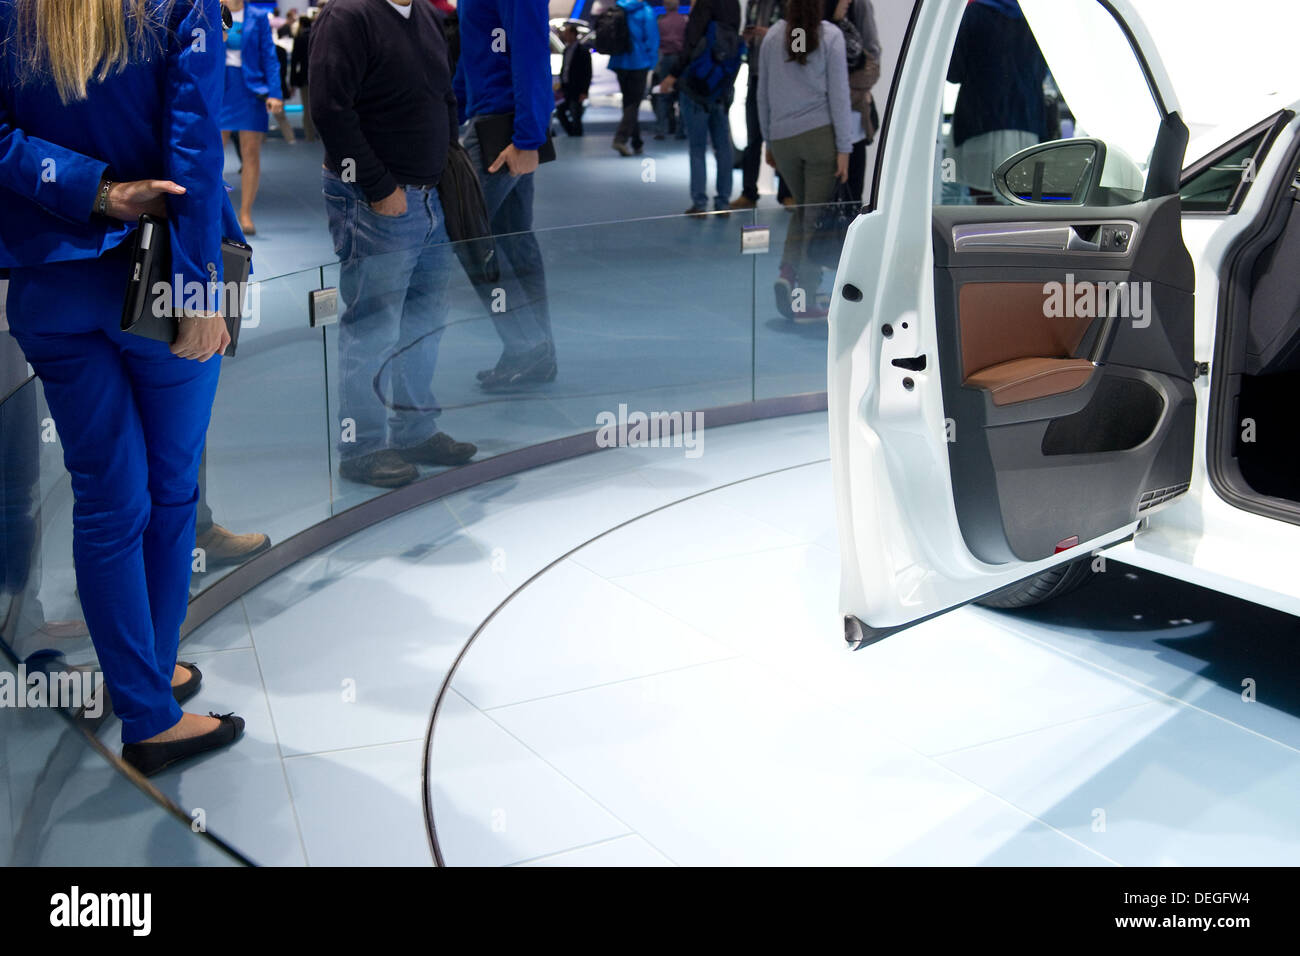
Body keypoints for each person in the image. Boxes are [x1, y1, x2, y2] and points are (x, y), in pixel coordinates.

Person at [0, 0, 246, 775]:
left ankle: (142, 680)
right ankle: (150, 711)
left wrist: (96, 192)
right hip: (163, 281)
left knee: (108, 495)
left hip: (48, 283)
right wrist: (205, 287)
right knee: (170, 489)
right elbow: (194, 146)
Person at [311, 0, 476, 489]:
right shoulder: (348, 16)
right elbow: (329, 110)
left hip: (428, 200)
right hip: (375, 202)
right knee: (373, 327)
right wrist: (380, 187)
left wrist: (445, 162)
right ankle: (362, 447)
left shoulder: (423, 15)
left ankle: (414, 428)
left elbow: (444, 94)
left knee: (424, 323)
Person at [455, 0, 557, 392]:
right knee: (512, 239)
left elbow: (530, 49)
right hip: (495, 123)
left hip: (503, 130)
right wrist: (454, 109)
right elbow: (475, 50)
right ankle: (535, 349)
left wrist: (529, 137)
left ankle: (527, 345)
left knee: (468, 236)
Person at [758, 0, 852, 321]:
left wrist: (769, 141)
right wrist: (844, 147)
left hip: (783, 138)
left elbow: (762, 93)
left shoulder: (772, 37)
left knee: (803, 211)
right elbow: (839, 95)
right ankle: (807, 297)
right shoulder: (831, 37)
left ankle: (787, 273)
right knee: (814, 219)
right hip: (819, 137)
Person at [944, 0, 1048, 203]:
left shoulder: (975, 12)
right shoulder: (1036, 16)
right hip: (1027, 125)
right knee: (1025, 207)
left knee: (983, 208)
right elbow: (1042, 72)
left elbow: (953, 71)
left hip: (980, 124)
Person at [658, 0, 743, 215]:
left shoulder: (703, 7)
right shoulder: (733, 6)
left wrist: (673, 75)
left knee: (697, 148)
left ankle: (700, 203)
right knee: (722, 147)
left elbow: (691, 45)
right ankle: (723, 201)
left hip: (696, 87)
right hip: (721, 86)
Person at [221, 0, 284, 234]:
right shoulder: (211, 11)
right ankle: (217, 210)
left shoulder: (258, 16)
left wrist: (275, 93)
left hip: (251, 91)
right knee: (214, 154)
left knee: (251, 153)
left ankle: (245, 213)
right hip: (219, 88)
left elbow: (269, 55)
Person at [731, 0, 791, 209]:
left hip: (780, 77)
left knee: (783, 136)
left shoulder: (786, 5)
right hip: (755, 75)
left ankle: (787, 192)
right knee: (752, 138)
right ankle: (748, 192)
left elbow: (796, 38)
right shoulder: (753, 4)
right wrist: (746, 38)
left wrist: (771, 35)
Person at [609, 0, 659, 157]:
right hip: (639, 62)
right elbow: (652, 38)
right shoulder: (645, 11)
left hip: (619, 61)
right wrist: (652, 62)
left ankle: (637, 142)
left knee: (628, 102)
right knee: (633, 103)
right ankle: (621, 139)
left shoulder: (619, 7)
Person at [651, 0, 687, 140]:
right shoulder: (684, 22)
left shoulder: (661, 23)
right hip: (681, 60)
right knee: (683, 96)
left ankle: (661, 130)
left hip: (666, 59)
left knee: (663, 95)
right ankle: (680, 131)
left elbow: (656, 44)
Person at [555, 22, 592, 137]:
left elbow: (587, 73)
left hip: (577, 88)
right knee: (561, 112)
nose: (564, 36)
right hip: (566, 87)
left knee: (576, 114)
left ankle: (577, 137)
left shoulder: (583, 51)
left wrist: (584, 91)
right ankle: (572, 134)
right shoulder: (566, 50)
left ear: (573, 34)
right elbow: (564, 68)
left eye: (566, 33)